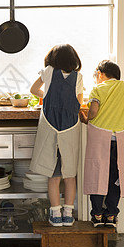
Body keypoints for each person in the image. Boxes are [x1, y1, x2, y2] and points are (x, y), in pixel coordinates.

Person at [29, 44, 83, 227]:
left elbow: (33, 90)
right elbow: (78, 102)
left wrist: (47, 97)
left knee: (53, 175)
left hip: (51, 125)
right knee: (70, 175)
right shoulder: (78, 77)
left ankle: (55, 214)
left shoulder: (49, 71)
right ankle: (68, 214)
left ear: (53, 59)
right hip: (70, 127)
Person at [80, 60, 124, 228]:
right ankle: (111, 215)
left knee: (96, 175)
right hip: (117, 139)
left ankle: (97, 215)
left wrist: (86, 119)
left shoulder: (98, 89)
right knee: (115, 177)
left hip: (99, 137)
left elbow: (93, 111)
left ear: (100, 74)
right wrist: (118, 108)